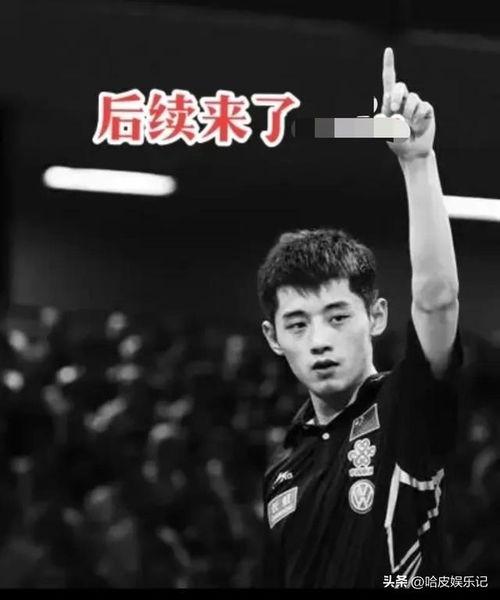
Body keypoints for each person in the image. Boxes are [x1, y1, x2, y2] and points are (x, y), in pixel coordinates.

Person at [257, 47, 462, 588]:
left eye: (337, 317)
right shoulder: (282, 472)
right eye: (298, 324)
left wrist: (417, 162)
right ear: (273, 338)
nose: (318, 340)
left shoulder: (408, 405)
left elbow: (437, 299)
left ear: (375, 316)